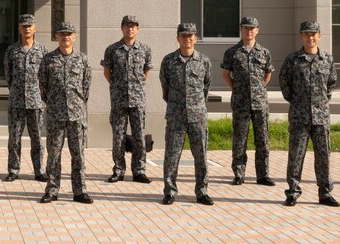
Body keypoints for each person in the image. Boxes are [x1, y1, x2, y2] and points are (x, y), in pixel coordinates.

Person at [280, 20, 340, 207]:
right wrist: (298, 102)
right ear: (301, 36)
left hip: (321, 116)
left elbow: (331, 84)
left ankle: (325, 193)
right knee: (296, 155)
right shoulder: (292, 60)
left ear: (319, 36)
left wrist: (320, 102)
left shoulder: (327, 59)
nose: (310, 37)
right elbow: (285, 84)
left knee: (323, 156)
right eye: (306, 34)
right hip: (299, 116)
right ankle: (293, 192)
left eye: (313, 34)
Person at [38, 22, 92, 204]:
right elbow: (42, 87)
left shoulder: (82, 60)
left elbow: (86, 88)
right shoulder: (48, 60)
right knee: (54, 154)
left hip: (77, 115)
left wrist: (77, 105)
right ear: (57, 37)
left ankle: (80, 191)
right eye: (62, 34)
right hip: (55, 114)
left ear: (74, 37)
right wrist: (54, 103)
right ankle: (52, 190)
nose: (65, 37)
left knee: (78, 154)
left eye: (69, 34)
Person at [158, 23, 212, 205]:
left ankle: (202, 191)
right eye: (184, 36)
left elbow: (206, 86)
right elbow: (165, 88)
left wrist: (195, 105)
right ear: (178, 38)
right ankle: (170, 191)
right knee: (172, 155)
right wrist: (176, 104)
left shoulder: (203, 61)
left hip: (198, 116)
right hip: (176, 116)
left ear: (196, 38)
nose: (187, 39)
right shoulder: (168, 61)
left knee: (201, 155)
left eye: (191, 36)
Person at [220, 16, 275, 186]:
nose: (249, 31)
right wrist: (236, 89)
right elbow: (225, 74)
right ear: (241, 30)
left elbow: (268, 74)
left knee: (262, 140)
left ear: (257, 30)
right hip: (240, 102)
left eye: (252, 28)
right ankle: (238, 173)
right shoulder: (232, 52)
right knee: (239, 139)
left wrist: (259, 89)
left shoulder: (264, 52)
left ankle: (263, 175)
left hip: (260, 102)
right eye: (245, 28)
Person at [103, 15, 152, 183]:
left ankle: (139, 170)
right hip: (119, 100)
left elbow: (146, 72)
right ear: (122, 28)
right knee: (118, 137)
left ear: (137, 29)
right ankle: (119, 170)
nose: (130, 29)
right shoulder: (112, 50)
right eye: (127, 26)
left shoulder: (145, 49)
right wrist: (117, 87)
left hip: (138, 100)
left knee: (139, 136)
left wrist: (136, 87)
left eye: (133, 26)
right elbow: (107, 72)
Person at [3, 13, 47, 182]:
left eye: (30, 26)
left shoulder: (42, 51)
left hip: (36, 102)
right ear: (19, 29)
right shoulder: (12, 50)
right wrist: (16, 90)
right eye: (24, 26)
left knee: (37, 139)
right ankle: (13, 170)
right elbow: (8, 75)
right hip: (17, 102)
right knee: (14, 138)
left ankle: (39, 171)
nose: (27, 29)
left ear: (34, 28)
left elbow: (46, 76)